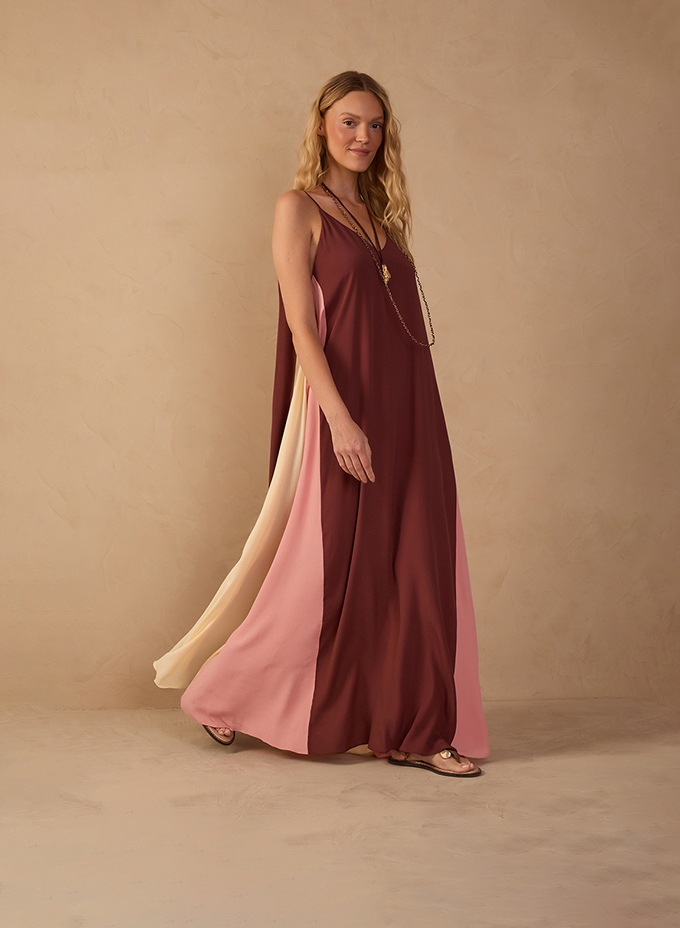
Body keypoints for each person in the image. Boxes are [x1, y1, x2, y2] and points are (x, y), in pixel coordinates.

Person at [153, 70, 489, 778]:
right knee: (322, 578)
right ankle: (224, 695)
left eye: (374, 126)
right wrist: (340, 422)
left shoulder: (383, 217)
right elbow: (303, 330)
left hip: (411, 412)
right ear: (322, 127)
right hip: (344, 408)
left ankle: (421, 729)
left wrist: (406, 418)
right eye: (349, 123)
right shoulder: (297, 209)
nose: (362, 137)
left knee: (418, 568)